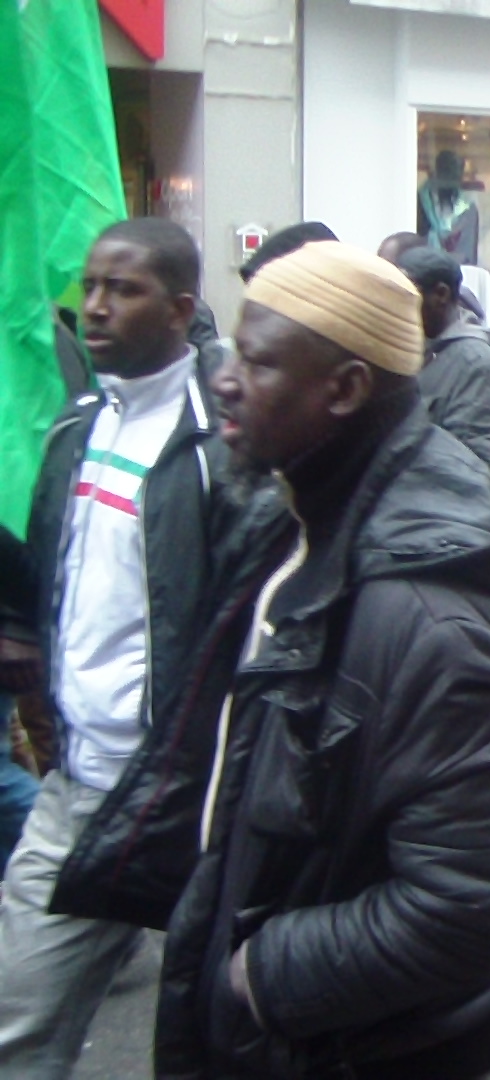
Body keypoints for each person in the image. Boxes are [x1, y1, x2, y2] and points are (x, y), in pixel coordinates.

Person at [156, 241, 490, 1078]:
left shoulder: (430, 619)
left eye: (258, 360)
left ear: (343, 389)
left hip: (414, 1052)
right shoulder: (297, 524)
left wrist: (257, 976)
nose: (224, 379)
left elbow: (468, 907)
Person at [0, 219, 239, 1079]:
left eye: (122, 290)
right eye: (91, 287)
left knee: (224, 1037)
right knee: (16, 1026)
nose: (94, 308)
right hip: (80, 793)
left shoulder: (227, 442)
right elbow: (56, 567)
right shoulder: (74, 426)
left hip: (199, 802)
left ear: (179, 310)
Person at [393, 246, 490, 477]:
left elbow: (486, 465)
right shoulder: (416, 351)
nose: (396, 306)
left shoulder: (477, 364)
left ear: (441, 295)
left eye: (406, 296)